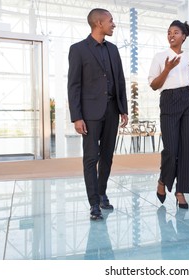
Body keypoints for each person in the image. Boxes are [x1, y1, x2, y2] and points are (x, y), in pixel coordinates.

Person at [68, 8, 128, 220]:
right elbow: (73, 85)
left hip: (112, 111)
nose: (113, 24)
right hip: (90, 114)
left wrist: (123, 109)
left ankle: (101, 192)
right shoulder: (78, 49)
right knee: (90, 158)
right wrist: (76, 116)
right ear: (99, 23)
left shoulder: (113, 49)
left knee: (107, 157)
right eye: (111, 21)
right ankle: (94, 203)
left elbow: (119, 79)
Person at [148, 20, 189, 209]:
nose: (171, 35)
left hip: (187, 100)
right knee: (171, 149)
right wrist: (167, 70)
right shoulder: (160, 56)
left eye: (176, 32)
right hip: (169, 100)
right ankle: (163, 180)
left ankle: (180, 191)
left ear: (184, 36)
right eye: (169, 32)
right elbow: (154, 85)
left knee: (188, 148)